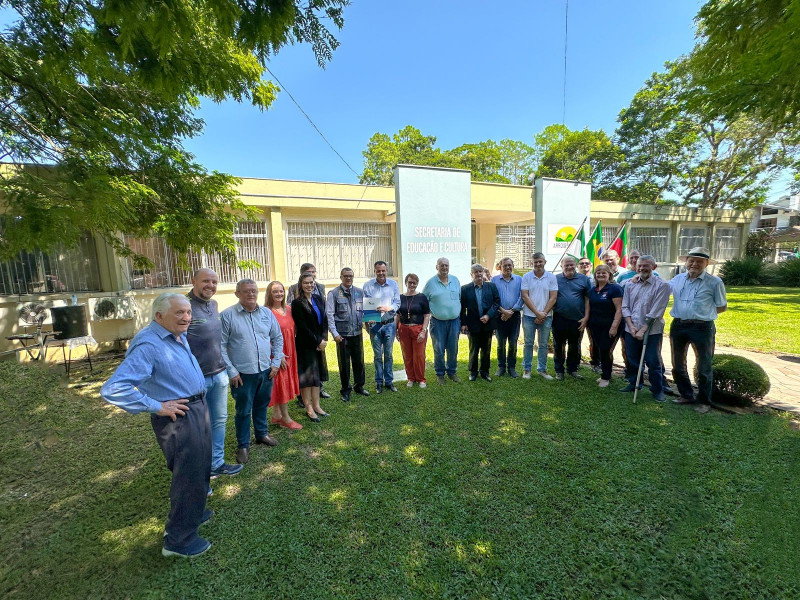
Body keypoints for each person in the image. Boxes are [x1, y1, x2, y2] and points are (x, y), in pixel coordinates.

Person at [101, 293, 212, 558]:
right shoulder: (149, 344)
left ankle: (193, 513)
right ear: (159, 316)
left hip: (196, 408)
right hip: (178, 417)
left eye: (188, 312)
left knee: (199, 470)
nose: (186, 317)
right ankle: (178, 541)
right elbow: (114, 388)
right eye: (179, 313)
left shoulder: (175, 334)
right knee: (187, 475)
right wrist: (157, 406)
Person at [186, 268, 243, 478]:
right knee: (198, 425)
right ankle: (198, 468)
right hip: (196, 378)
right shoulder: (184, 306)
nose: (210, 285)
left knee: (219, 420)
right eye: (205, 281)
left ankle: (216, 463)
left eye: (214, 282)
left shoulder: (213, 304)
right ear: (193, 281)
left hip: (219, 374)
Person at [220, 279, 283, 465]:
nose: (251, 294)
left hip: (266, 371)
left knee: (262, 404)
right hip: (242, 375)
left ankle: (262, 434)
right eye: (246, 291)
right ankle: (243, 445)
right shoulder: (227, 316)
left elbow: (277, 337)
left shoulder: (266, 313)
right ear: (237, 294)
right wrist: (231, 371)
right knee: (243, 411)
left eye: (254, 291)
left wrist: (276, 362)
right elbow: (221, 346)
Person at [669, 247, 727, 407]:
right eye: (691, 261)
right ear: (686, 262)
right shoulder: (677, 279)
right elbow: (661, 290)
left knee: (704, 366)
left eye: (699, 261)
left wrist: (702, 314)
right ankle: (686, 395)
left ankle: (704, 401)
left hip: (702, 328)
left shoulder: (715, 282)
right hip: (678, 325)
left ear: (706, 263)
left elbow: (722, 306)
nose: (694, 264)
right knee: (677, 364)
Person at [620, 255, 671, 402]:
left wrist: (642, 330)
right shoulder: (630, 284)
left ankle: (657, 389)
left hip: (651, 330)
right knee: (633, 359)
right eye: (639, 266)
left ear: (654, 267)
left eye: (646, 266)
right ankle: (634, 383)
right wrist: (630, 326)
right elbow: (625, 306)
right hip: (631, 329)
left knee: (652, 361)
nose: (642, 268)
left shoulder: (662, 285)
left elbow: (657, 311)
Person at [286, 262, 330, 402]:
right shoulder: (297, 303)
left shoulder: (318, 298)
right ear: (301, 284)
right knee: (307, 378)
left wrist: (324, 339)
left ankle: (317, 406)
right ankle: (308, 407)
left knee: (316, 376)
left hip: (319, 342)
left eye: (311, 282)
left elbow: (324, 319)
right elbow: (303, 326)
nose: (309, 285)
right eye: (306, 283)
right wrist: (317, 341)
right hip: (306, 343)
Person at [264, 281, 302, 430]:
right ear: (269, 294)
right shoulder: (266, 312)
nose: (279, 294)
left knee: (285, 381)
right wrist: (277, 355)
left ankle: (276, 415)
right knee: (281, 383)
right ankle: (286, 418)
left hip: (290, 350)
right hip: (277, 353)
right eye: (275, 292)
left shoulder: (289, 309)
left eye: (281, 291)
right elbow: (264, 336)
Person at [326, 267, 369, 402]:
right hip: (342, 335)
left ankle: (359, 386)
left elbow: (366, 312)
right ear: (341, 277)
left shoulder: (359, 292)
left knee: (359, 362)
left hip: (357, 333)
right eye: (346, 276)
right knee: (344, 364)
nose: (348, 278)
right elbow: (330, 315)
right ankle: (345, 390)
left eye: (350, 276)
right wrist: (334, 333)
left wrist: (370, 319)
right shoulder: (333, 294)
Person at [422, 257, 462, 384]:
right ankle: (440, 374)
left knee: (453, 348)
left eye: (446, 265)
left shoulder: (455, 280)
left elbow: (459, 298)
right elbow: (424, 302)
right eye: (442, 265)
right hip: (438, 322)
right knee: (438, 349)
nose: (444, 267)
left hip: (454, 321)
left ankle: (452, 372)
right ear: (437, 267)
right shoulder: (430, 283)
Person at [363, 261, 401, 393]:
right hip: (374, 326)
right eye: (378, 271)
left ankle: (389, 382)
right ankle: (379, 382)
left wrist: (388, 308)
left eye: (383, 270)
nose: (381, 273)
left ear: (386, 270)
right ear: (375, 271)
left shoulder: (393, 285)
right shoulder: (368, 286)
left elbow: (397, 303)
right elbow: (365, 306)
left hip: (389, 324)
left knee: (389, 355)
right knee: (378, 355)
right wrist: (367, 323)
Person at [520, 252, 558, 380]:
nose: (538, 264)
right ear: (532, 263)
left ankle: (542, 369)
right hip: (529, 316)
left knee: (543, 344)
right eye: (535, 262)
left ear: (545, 262)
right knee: (528, 343)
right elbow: (525, 296)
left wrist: (543, 314)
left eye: (540, 261)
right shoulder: (526, 277)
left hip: (546, 316)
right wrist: (537, 313)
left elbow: (553, 297)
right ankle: (527, 369)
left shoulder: (551, 278)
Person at [552, 257, 591, 380]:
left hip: (578, 319)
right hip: (560, 318)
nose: (569, 267)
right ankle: (559, 371)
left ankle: (572, 370)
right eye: (566, 265)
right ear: (561, 266)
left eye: (571, 265)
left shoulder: (584, 279)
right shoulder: (555, 279)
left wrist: (586, 317)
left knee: (575, 345)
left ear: (575, 265)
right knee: (559, 346)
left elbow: (587, 299)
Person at [460, 264, 501, 381]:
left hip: (487, 323)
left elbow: (497, 302)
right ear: (471, 274)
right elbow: (462, 308)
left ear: (483, 273)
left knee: (486, 349)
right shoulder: (465, 289)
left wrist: (489, 315)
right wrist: (463, 323)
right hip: (473, 324)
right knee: (473, 349)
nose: (478, 274)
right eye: (475, 272)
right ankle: (473, 372)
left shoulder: (491, 287)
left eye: (480, 271)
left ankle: (485, 371)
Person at [587, 265, 623, 388]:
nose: (601, 275)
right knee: (600, 350)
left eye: (604, 273)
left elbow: (619, 309)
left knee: (606, 350)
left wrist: (614, 326)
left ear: (609, 275)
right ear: (595, 275)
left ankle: (606, 377)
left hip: (610, 326)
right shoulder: (593, 290)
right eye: (598, 273)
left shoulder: (615, 289)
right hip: (595, 325)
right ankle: (605, 373)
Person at [395, 273, 431, 388]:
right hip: (403, 329)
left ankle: (421, 379)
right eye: (410, 282)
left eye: (414, 283)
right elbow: (397, 315)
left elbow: (427, 315)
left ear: (417, 284)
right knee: (407, 355)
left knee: (419, 355)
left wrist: (423, 331)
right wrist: (396, 329)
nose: (412, 284)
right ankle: (411, 378)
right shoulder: (400, 297)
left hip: (418, 328)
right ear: (406, 283)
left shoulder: (422, 297)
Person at [491, 257, 523, 378]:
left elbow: (522, 297)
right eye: (505, 265)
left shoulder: (520, 280)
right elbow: (493, 298)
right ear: (500, 267)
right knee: (501, 343)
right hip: (500, 315)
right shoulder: (494, 280)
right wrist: (503, 311)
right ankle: (501, 367)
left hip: (514, 315)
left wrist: (511, 311)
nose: (507, 268)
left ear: (513, 266)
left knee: (513, 343)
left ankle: (511, 368)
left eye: (510, 265)